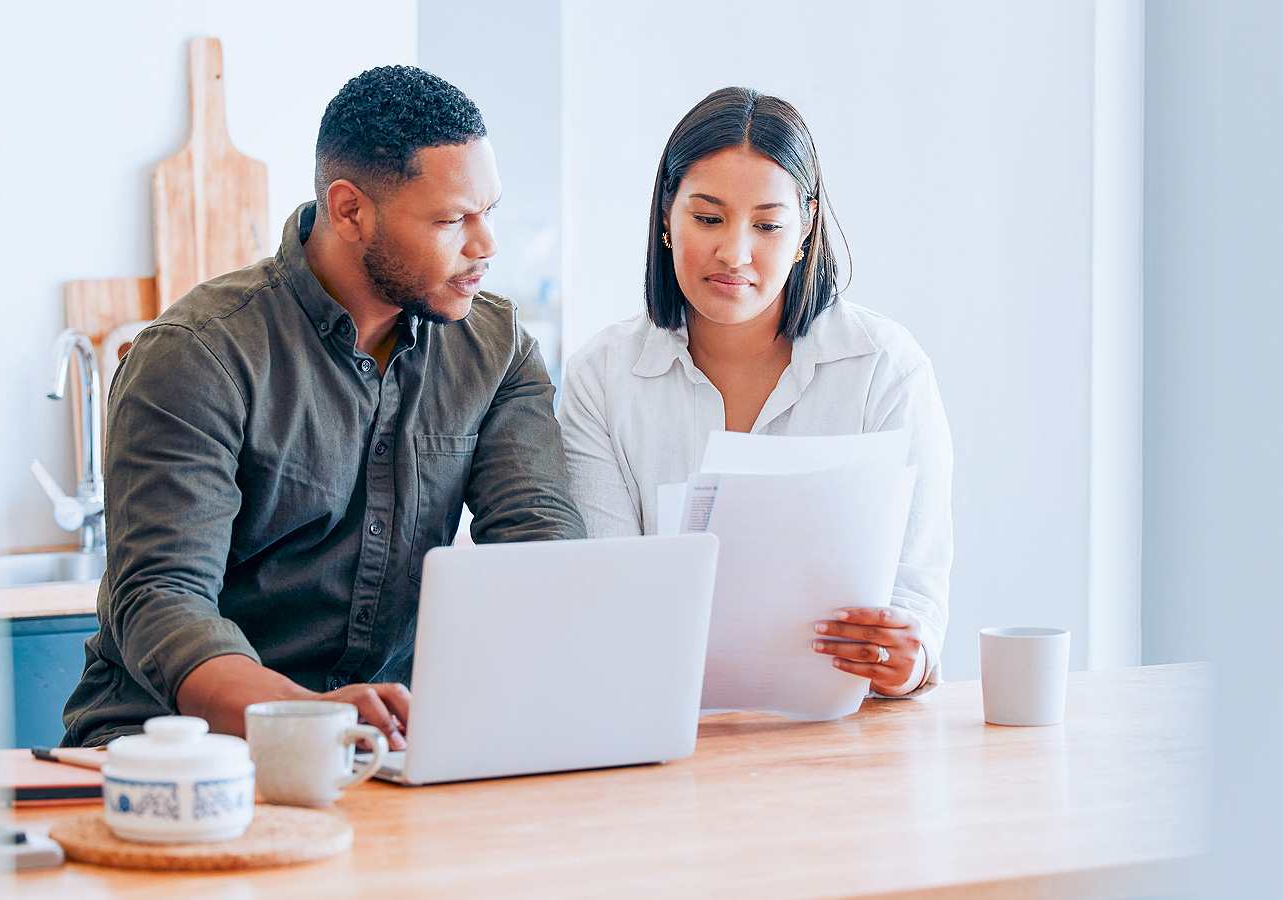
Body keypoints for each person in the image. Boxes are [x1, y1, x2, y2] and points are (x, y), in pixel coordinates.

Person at [62, 66, 585, 748]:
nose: (485, 247)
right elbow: (164, 602)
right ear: (349, 211)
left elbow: (539, 548)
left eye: (489, 212)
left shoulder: (498, 347)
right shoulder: (196, 356)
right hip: (182, 752)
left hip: (381, 749)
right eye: (453, 219)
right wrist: (316, 721)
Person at [557, 87, 951, 697]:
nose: (734, 253)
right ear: (667, 215)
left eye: (767, 224)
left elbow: (916, 601)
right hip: (659, 728)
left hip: (839, 741)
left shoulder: (885, 369)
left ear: (805, 228)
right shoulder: (602, 379)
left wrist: (910, 658)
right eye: (708, 218)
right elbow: (607, 596)